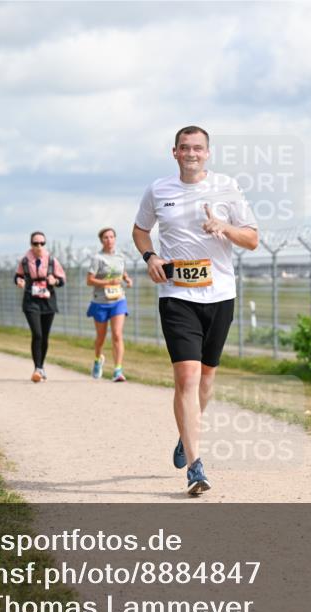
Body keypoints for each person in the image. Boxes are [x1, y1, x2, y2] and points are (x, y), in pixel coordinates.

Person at [132, 125, 259, 495]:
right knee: (186, 378)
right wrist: (150, 255)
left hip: (219, 293)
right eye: (184, 148)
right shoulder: (158, 190)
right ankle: (195, 465)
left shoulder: (227, 187)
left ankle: (185, 435)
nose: (191, 153)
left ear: (208, 153)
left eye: (198, 148)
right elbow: (140, 230)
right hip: (176, 295)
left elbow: (252, 239)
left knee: (206, 380)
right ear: (174, 152)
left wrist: (224, 227)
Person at [14, 231, 66, 382]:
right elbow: (17, 276)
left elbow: (62, 280)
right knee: (37, 334)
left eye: (42, 243)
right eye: (36, 243)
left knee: (44, 336)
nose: (39, 246)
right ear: (31, 244)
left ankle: (41, 367)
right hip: (31, 300)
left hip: (48, 300)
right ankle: (37, 368)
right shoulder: (25, 261)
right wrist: (19, 281)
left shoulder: (51, 260)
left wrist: (54, 281)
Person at [86, 227, 133, 381]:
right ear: (101, 240)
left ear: (115, 239)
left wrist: (127, 279)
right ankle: (98, 359)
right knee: (101, 337)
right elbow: (89, 280)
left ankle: (118, 370)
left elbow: (121, 271)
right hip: (100, 301)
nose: (109, 240)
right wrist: (107, 283)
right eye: (106, 237)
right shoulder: (97, 258)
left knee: (117, 334)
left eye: (112, 237)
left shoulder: (120, 256)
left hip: (118, 300)